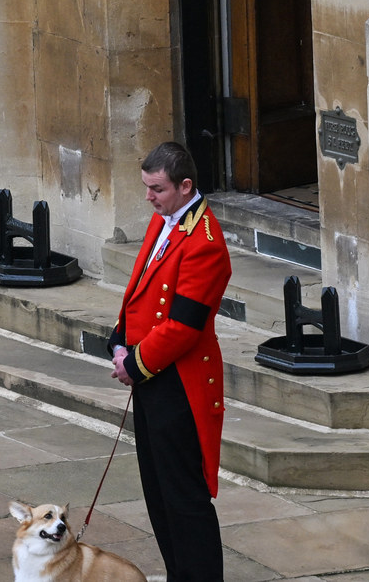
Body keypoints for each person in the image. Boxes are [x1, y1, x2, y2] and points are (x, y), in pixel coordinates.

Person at [108, 141, 231, 581]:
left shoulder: (205, 243)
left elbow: (184, 326)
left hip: (179, 383)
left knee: (183, 495)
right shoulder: (167, 220)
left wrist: (134, 364)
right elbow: (139, 290)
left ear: (185, 186)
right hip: (152, 374)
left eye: (156, 189)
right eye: (146, 187)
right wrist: (120, 341)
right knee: (157, 491)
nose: (149, 198)